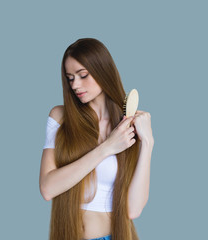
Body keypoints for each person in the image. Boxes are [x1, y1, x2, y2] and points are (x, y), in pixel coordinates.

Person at [39, 38, 154, 240]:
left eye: (83, 75)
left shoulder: (126, 126)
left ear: (103, 70)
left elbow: (133, 210)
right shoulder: (61, 117)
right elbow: (48, 188)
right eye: (70, 78)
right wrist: (106, 148)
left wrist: (148, 143)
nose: (75, 84)